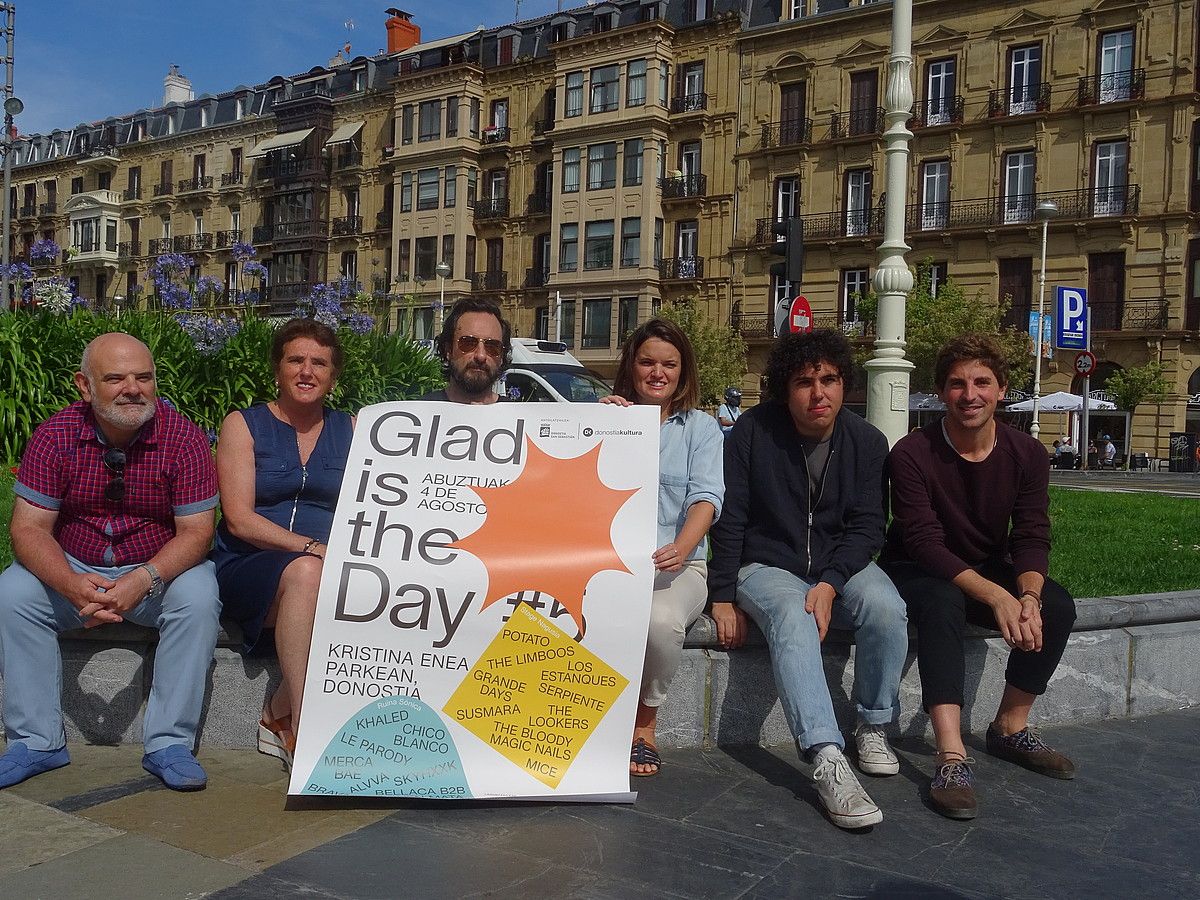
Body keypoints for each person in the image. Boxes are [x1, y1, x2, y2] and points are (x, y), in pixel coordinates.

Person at [0, 333, 220, 791]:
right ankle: (37, 741)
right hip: (74, 567)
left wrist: (144, 579)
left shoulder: (185, 438)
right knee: (14, 593)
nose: (133, 388)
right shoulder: (55, 435)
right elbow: (28, 529)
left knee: (198, 597)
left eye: (144, 377)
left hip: (155, 572)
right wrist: (70, 583)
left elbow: (197, 533)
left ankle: (168, 743)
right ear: (85, 385)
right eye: (115, 378)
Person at [708, 330, 908, 830]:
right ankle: (826, 756)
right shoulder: (753, 431)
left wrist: (831, 582)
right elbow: (731, 517)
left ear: (844, 383)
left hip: (839, 565)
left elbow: (868, 526)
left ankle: (873, 723)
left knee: (886, 608)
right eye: (804, 382)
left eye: (829, 379)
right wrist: (723, 596)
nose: (819, 393)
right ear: (784, 388)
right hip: (767, 565)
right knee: (794, 618)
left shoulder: (867, 441)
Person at [881, 334, 1077, 822]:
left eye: (982, 382)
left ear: (1002, 390)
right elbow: (924, 542)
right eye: (957, 384)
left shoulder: (1027, 453)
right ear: (941, 393)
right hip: (914, 568)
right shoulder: (911, 453)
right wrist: (997, 597)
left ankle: (1010, 727)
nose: (970, 394)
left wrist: (1026, 596)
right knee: (944, 602)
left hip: (985, 566)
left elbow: (1032, 533)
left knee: (1057, 605)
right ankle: (951, 756)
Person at [211, 319, 353, 769]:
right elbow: (239, 519)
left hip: (327, 570)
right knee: (308, 574)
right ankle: (310, 726)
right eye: (295, 360)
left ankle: (277, 713)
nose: (307, 371)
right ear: (278, 369)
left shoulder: (352, 429)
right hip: (249, 565)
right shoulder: (243, 425)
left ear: (333, 377)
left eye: (319, 363)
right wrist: (311, 548)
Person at [601, 319, 723, 777]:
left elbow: (706, 498)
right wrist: (598, 426)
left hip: (680, 565)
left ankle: (644, 722)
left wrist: (682, 545)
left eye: (668, 364)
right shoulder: (608, 418)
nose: (658, 372)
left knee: (661, 622)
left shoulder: (702, 429)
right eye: (647, 361)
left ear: (683, 371)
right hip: (614, 564)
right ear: (631, 367)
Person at [422, 297, 512, 403]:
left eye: (492, 346)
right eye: (468, 343)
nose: (481, 356)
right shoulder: (420, 412)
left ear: (502, 356)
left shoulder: (519, 416)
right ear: (448, 350)